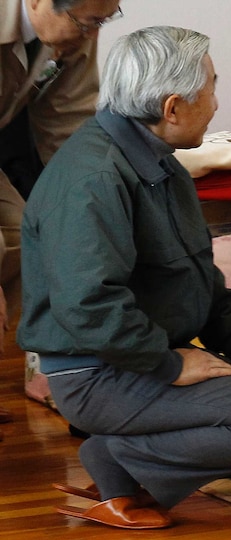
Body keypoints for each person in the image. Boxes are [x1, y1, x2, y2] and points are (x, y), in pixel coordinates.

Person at [17, 25, 231, 529]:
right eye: (211, 87)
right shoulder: (93, 179)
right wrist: (166, 365)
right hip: (99, 372)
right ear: (172, 108)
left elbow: (201, 276)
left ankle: (131, 453)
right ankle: (116, 462)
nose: (216, 102)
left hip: (145, 357)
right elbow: (88, 306)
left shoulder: (163, 166)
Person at [0, 0, 122, 437]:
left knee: (24, 238)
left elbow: (68, 127)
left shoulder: (73, 29)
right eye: (86, 22)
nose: (92, 35)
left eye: (102, 22)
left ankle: (65, 382)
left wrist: (87, 214)